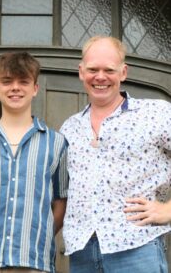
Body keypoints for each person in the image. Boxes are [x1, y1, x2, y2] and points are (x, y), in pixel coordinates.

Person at [60, 35, 171, 273]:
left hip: (137, 249)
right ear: (81, 72)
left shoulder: (156, 114)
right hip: (82, 252)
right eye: (93, 69)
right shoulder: (69, 128)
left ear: (123, 72)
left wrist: (168, 210)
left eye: (109, 69)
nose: (100, 77)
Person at [0, 52, 69, 273]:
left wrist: (38, 232)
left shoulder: (56, 144)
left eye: (23, 81)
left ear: (35, 88)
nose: (15, 88)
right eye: (7, 81)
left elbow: (61, 201)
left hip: (34, 261)